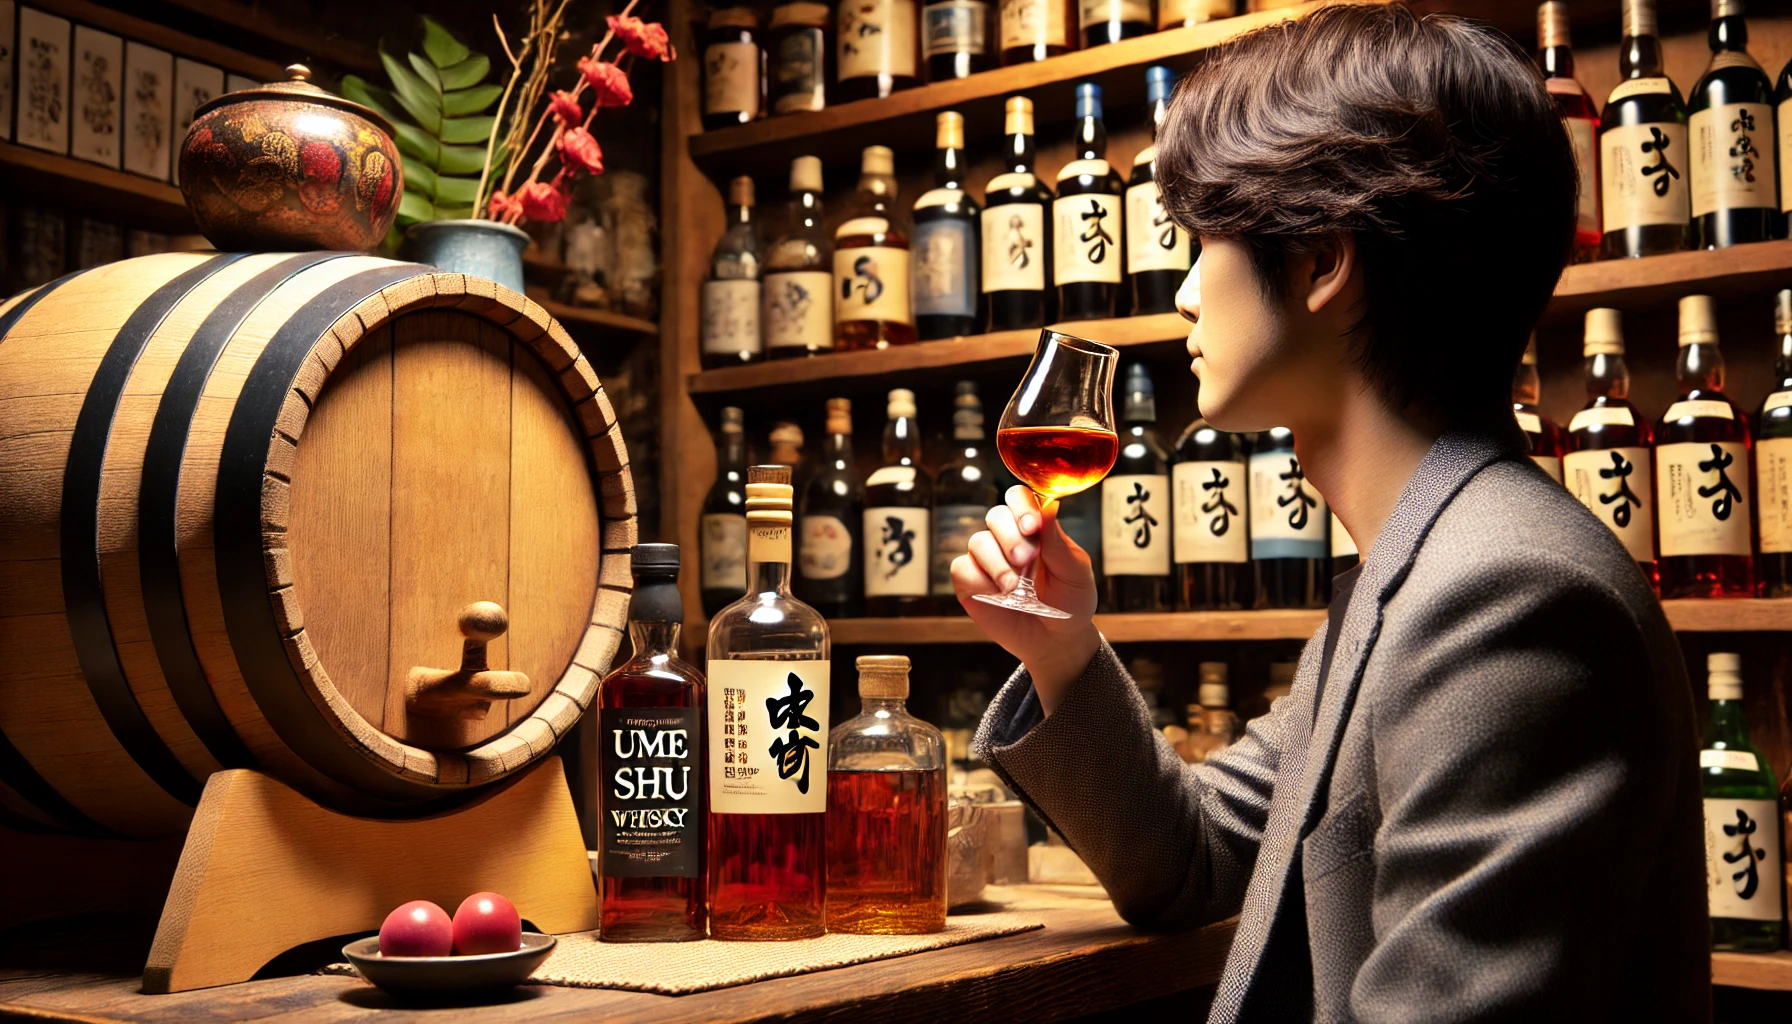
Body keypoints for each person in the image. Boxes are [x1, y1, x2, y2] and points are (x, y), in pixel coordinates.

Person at [951, 5, 1708, 1020]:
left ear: (1320, 263)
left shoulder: (1508, 601)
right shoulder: (1422, 569)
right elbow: (1192, 858)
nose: (1180, 295)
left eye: (1201, 244)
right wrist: (1061, 653)